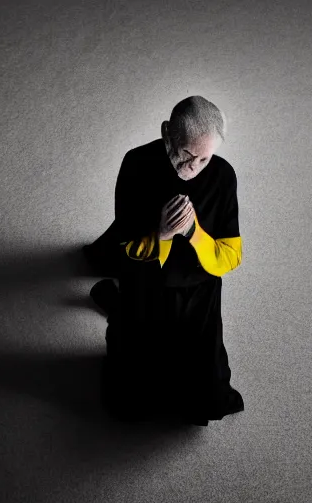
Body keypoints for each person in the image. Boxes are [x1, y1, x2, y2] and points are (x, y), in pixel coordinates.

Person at [83, 96, 244, 426]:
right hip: (146, 280)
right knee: (131, 387)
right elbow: (125, 243)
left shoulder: (224, 176)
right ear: (167, 133)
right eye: (185, 154)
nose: (192, 168)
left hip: (200, 285)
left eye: (203, 159)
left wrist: (194, 232)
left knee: (205, 384)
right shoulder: (137, 164)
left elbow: (230, 256)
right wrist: (163, 234)